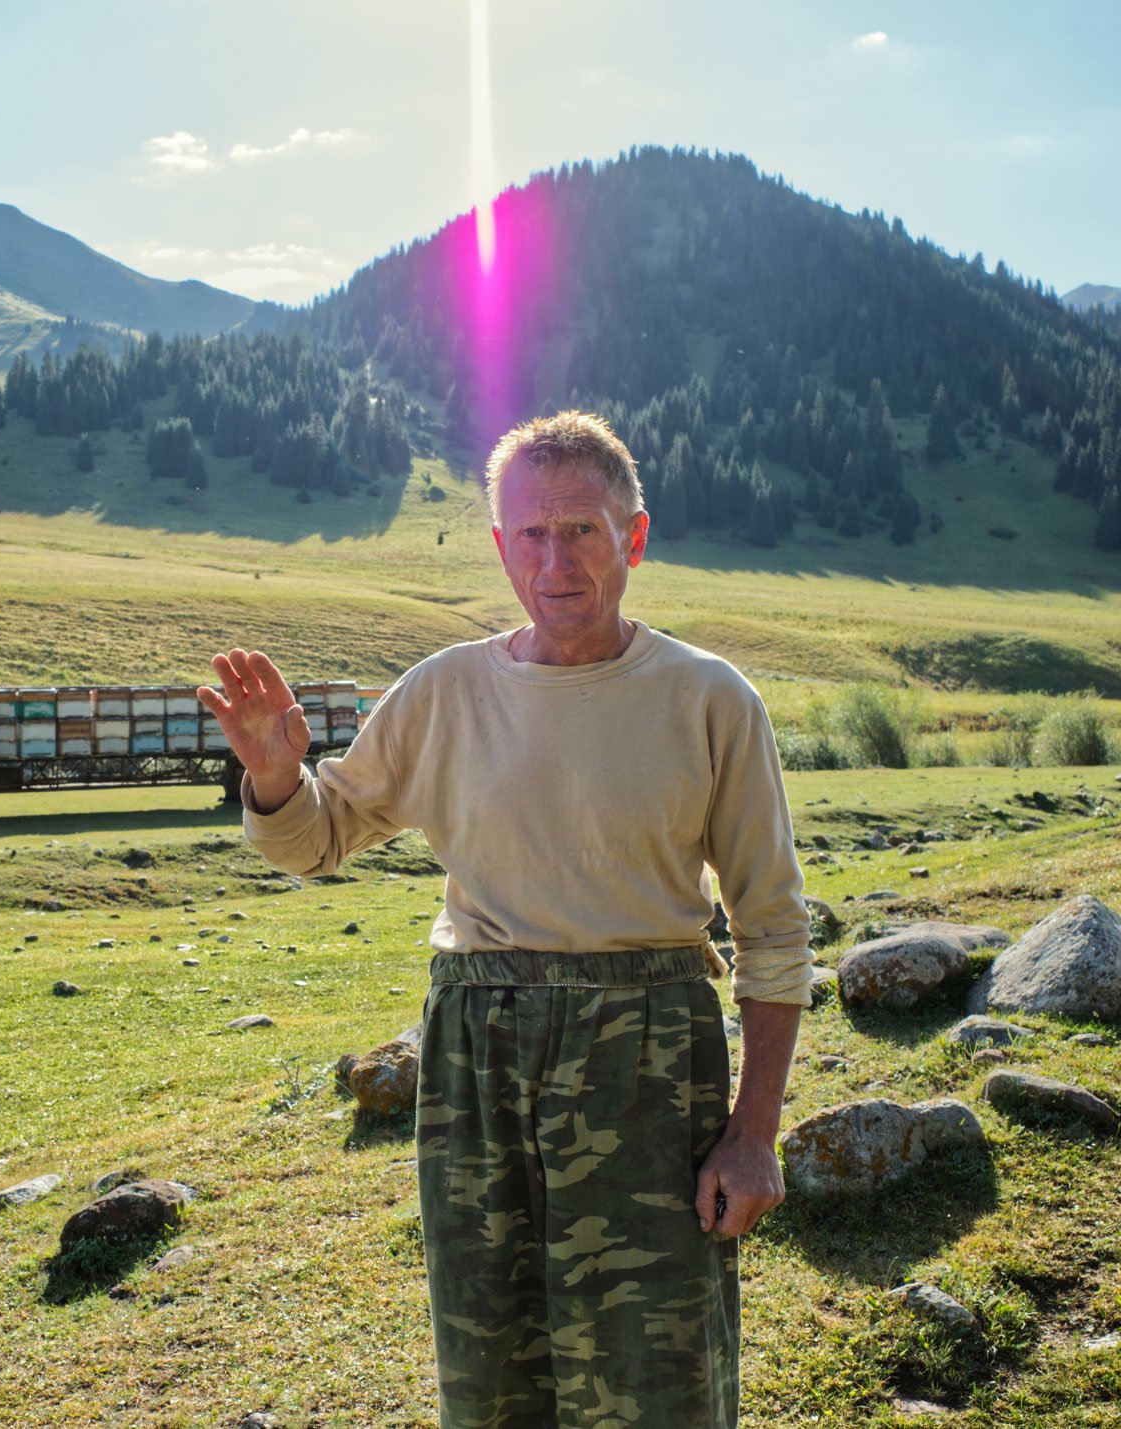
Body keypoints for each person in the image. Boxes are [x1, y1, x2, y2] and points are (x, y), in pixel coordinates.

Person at [198, 410, 813, 1428]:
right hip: (475, 1056)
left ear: (635, 537)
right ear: (496, 546)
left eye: (580, 529)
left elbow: (772, 930)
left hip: (646, 1060)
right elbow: (315, 839)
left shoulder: (709, 700)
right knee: (490, 1372)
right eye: (528, 533)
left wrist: (752, 1135)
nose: (553, 558)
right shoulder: (443, 692)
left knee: (652, 1378)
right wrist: (272, 774)